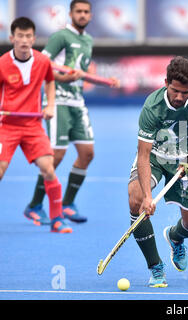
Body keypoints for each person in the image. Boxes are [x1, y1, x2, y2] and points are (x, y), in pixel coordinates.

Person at [128, 56, 188, 287]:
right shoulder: (153, 107)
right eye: (175, 91)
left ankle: (175, 237)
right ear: (166, 83)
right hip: (156, 158)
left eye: (186, 92)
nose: (180, 97)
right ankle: (155, 266)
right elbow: (143, 154)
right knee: (136, 199)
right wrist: (148, 198)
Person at [24, 0, 118, 225]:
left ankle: (67, 204)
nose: (83, 15)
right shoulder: (61, 37)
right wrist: (63, 78)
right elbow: (41, 66)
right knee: (55, 156)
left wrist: (104, 81)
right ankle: (35, 205)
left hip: (77, 102)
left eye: (86, 12)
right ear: (71, 13)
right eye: (79, 11)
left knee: (87, 154)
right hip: (58, 102)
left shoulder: (87, 39)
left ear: (91, 16)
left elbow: (81, 72)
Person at [0, 17, 72, 233]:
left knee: (48, 169)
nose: (24, 40)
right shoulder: (2, 63)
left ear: (34, 38)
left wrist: (50, 105)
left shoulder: (42, 61)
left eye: (28, 36)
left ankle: (57, 219)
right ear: (12, 38)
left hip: (33, 126)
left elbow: (50, 81)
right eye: (20, 36)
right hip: (7, 126)